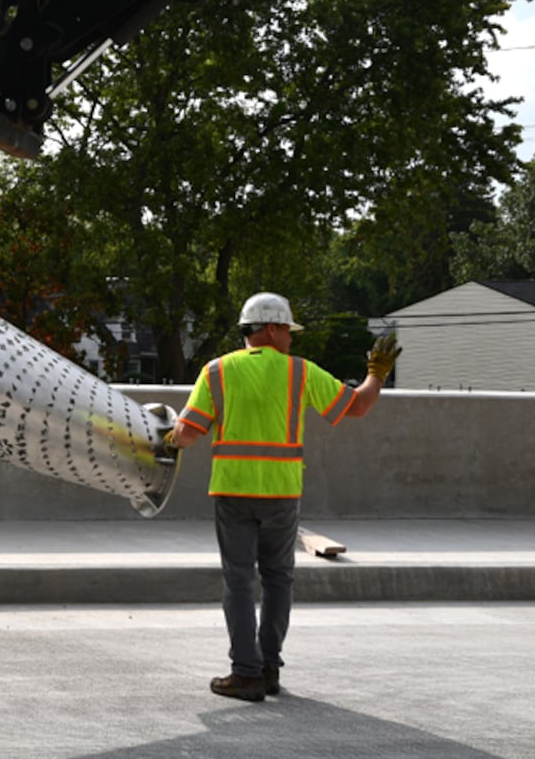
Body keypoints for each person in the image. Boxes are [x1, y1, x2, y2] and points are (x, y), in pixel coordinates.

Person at [168, 292, 400, 703]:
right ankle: (269, 668)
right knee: (278, 580)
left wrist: (167, 437)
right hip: (281, 494)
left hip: (233, 492)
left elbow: (186, 435)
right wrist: (377, 373)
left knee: (238, 582)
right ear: (272, 328)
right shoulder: (299, 373)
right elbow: (358, 406)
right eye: (288, 331)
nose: (291, 339)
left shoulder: (216, 371)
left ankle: (246, 673)